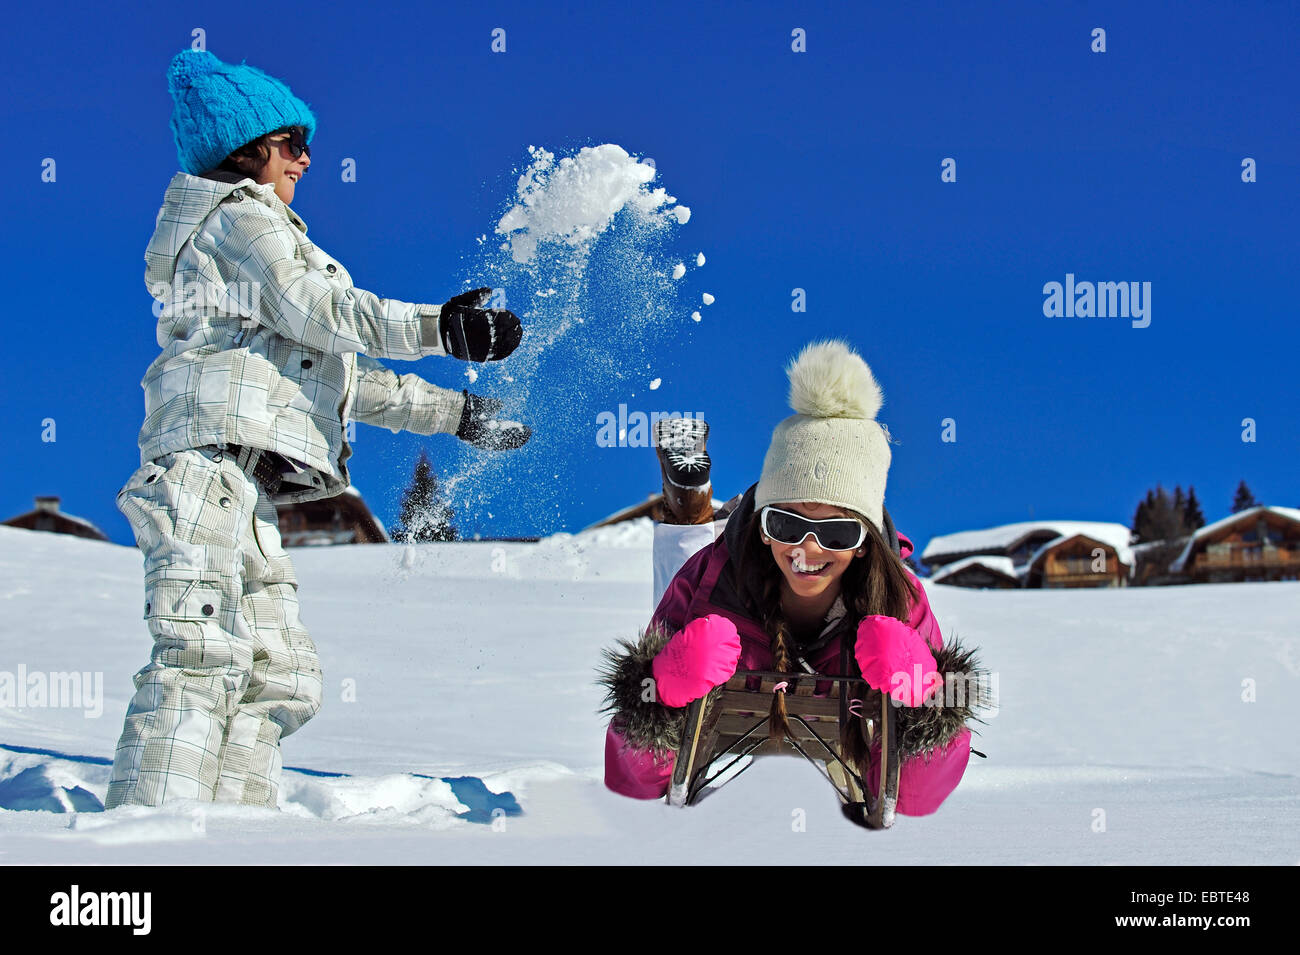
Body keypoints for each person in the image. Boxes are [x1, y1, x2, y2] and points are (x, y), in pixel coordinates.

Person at [106, 49, 529, 810]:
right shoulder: (233, 220)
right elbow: (320, 308)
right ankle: (150, 837)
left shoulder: (259, 251)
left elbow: (341, 381)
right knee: (200, 653)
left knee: (280, 672)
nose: (307, 157)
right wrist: (441, 327)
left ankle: (235, 833)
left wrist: (457, 413)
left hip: (246, 489)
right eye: (291, 141)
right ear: (246, 148)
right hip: (202, 467)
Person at [599, 340, 989, 816]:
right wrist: (660, 690)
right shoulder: (708, 578)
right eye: (786, 524)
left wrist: (928, 701)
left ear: (864, 540)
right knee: (696, 565)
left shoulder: (897, 599)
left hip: (829, 736)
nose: (808, 548)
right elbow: (633, 784)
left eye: (837, 531)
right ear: (766, 529)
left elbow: (914, 803)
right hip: (731, 603)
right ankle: (691, 504)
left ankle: (693, 504)